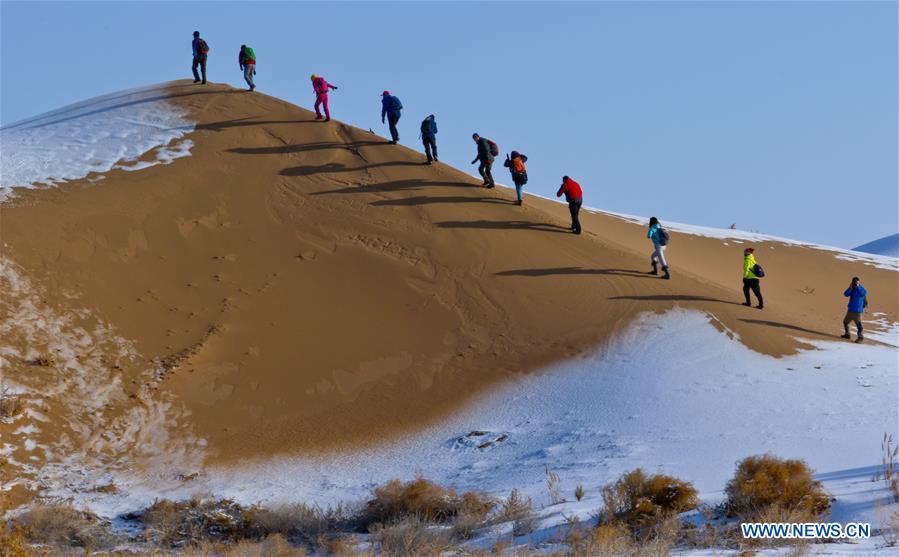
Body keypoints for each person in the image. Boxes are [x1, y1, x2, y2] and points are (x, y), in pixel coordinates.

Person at [841, 276, 867, 343]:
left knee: (859, 325)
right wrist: (850, 288)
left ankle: (860, 338)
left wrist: (858, 287)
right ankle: (847, 334)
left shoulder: (861, 289)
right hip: (850, 310)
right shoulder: (852, 288)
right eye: (854, 282)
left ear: (859, 282)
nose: (855, 284)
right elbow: (845, 294)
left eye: (857, 282)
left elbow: (863, 293)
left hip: (858, 311)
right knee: (845, 322)